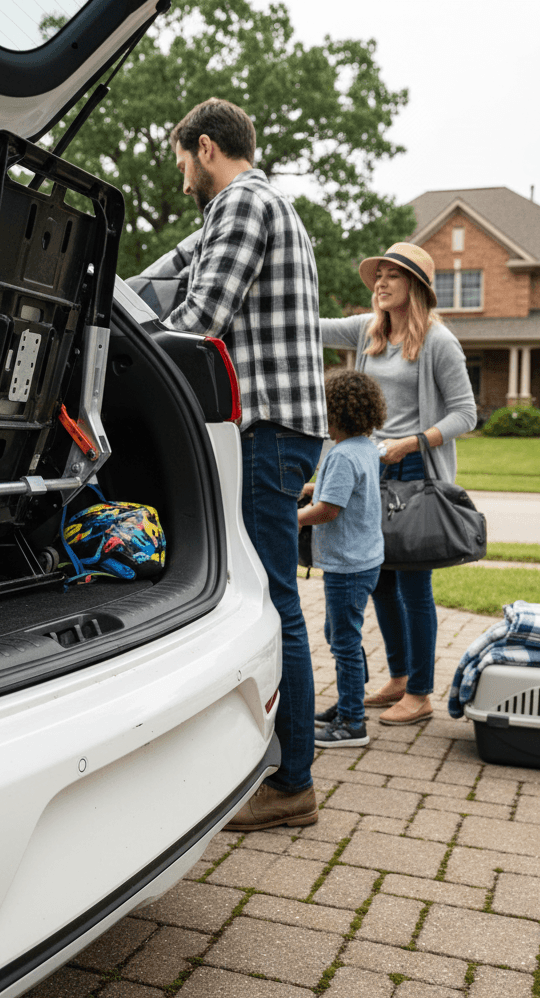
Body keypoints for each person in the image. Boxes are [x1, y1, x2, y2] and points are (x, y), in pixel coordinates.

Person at [158, 98, 328, 829]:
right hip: (287, 429)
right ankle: (282, 760)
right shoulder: (260, 207)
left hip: (271, 432)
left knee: (275, 599)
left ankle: (292, 782)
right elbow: (171, 268)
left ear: (204, 148)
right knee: (272, 591)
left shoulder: (240, 205)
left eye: (181, 164)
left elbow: (198, 319)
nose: (182, 180)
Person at [320, 242, 477, 725]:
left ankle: (423, 693)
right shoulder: (368, 331)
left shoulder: (438, 341)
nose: (381, 283)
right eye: (378, 275)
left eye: (393, 275)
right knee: (381, 581)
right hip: (373, 468)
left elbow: (465, 414)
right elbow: (309, 326)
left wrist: (413, 443)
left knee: (413, 585)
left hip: (414, 470)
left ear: (416, 286)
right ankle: (401, 678)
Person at [298, 370, 387, 747]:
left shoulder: (341, 455)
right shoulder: (365, 447)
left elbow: (329, 510)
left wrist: (293, 518)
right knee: (338, 634)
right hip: (366, 560)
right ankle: (351, 700)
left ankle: (352, 722)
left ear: (336, 414)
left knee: (343, 641)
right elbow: (336, 489)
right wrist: (307, 488)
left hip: (346, 565)